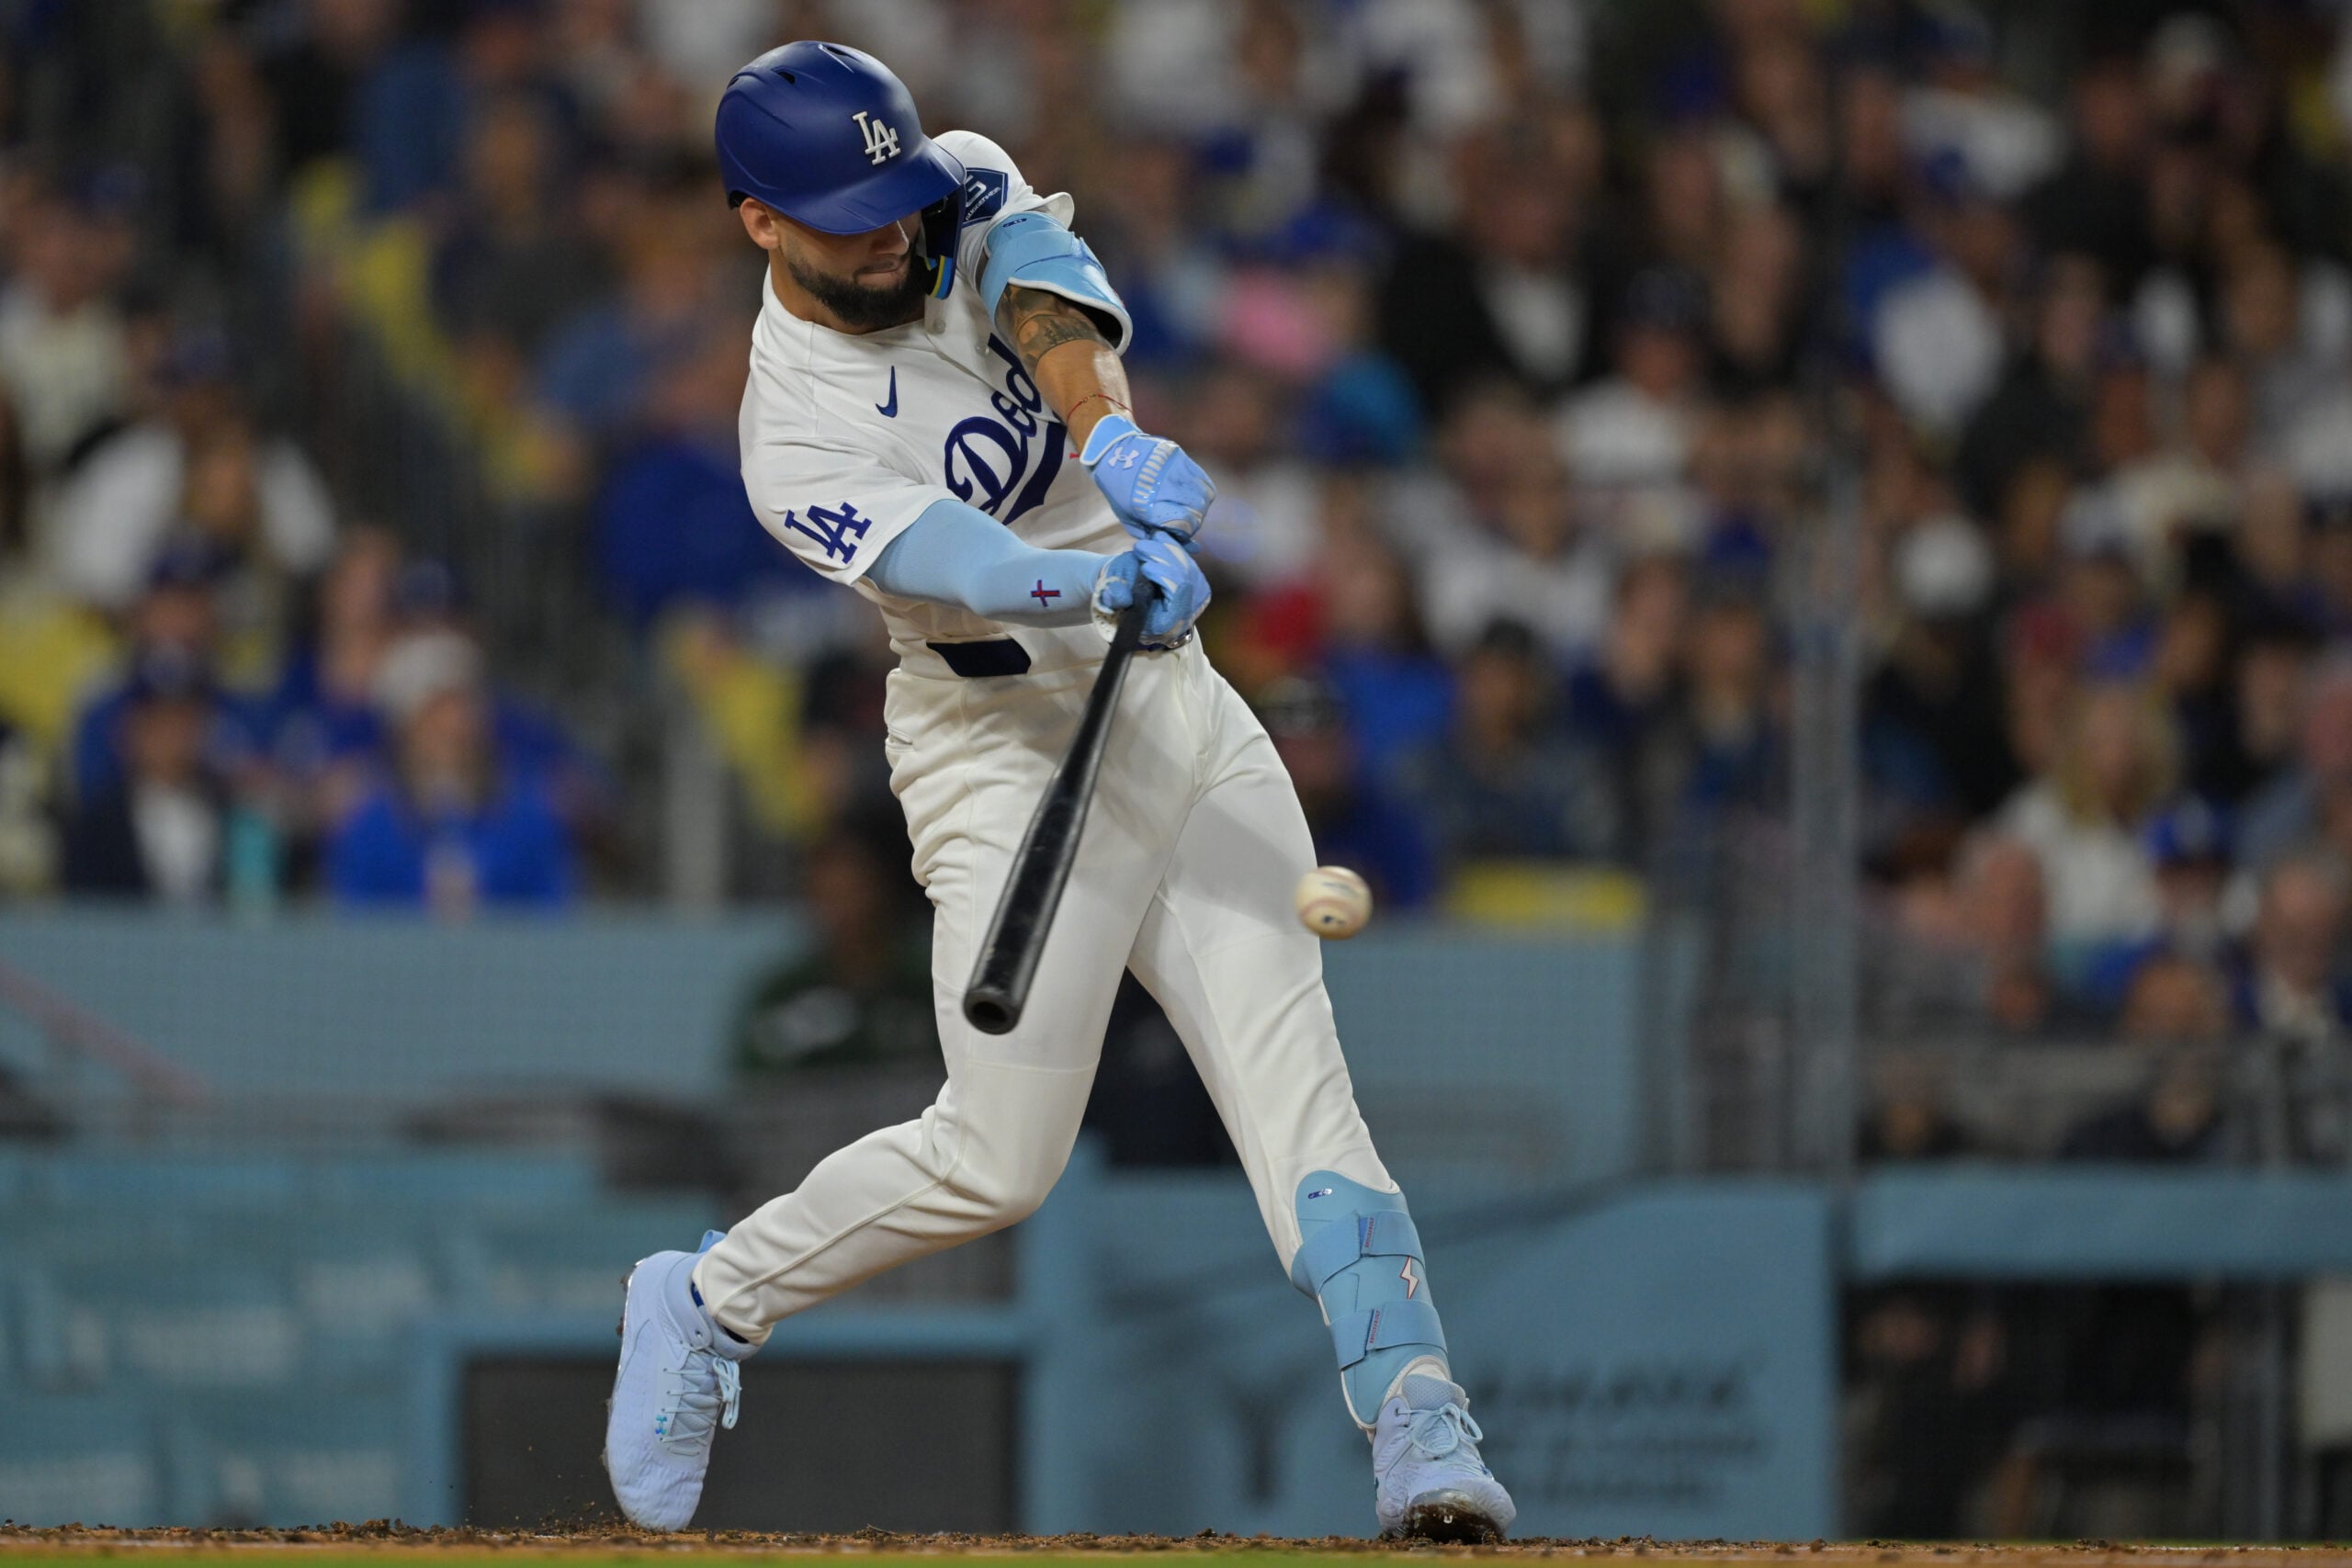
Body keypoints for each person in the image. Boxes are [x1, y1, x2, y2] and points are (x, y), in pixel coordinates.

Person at [602, 43, 1513, 1542]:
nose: (888, 229)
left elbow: (1041, 289)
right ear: (757, 220)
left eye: (891, 194)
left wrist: (1111, 439)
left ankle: (1420, 1423)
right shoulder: (791, 430)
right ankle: (704, 1302)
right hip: (999, 742)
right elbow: (937, 563)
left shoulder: (940, 184)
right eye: (845, 213)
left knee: (1302, 1098)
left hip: (1167, 698)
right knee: (999, 1157)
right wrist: (1084, 572)